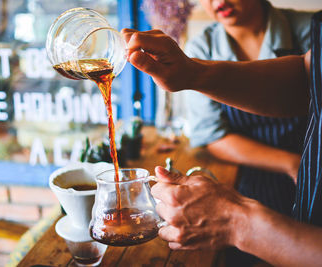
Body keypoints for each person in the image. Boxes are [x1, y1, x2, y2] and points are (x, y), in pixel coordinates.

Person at [121, 9, 322, 267]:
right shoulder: (202, 45)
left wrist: (236, 222)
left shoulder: (302, 28)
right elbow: (308, 81)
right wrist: (191, 73)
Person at [184, 1, 312, 264]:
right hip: (248, 182)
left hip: (315, 174)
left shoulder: (310, 30)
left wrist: (306, 166)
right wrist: (290, 163)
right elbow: (213, 135)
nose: (218, 2)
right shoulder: (201, 49)